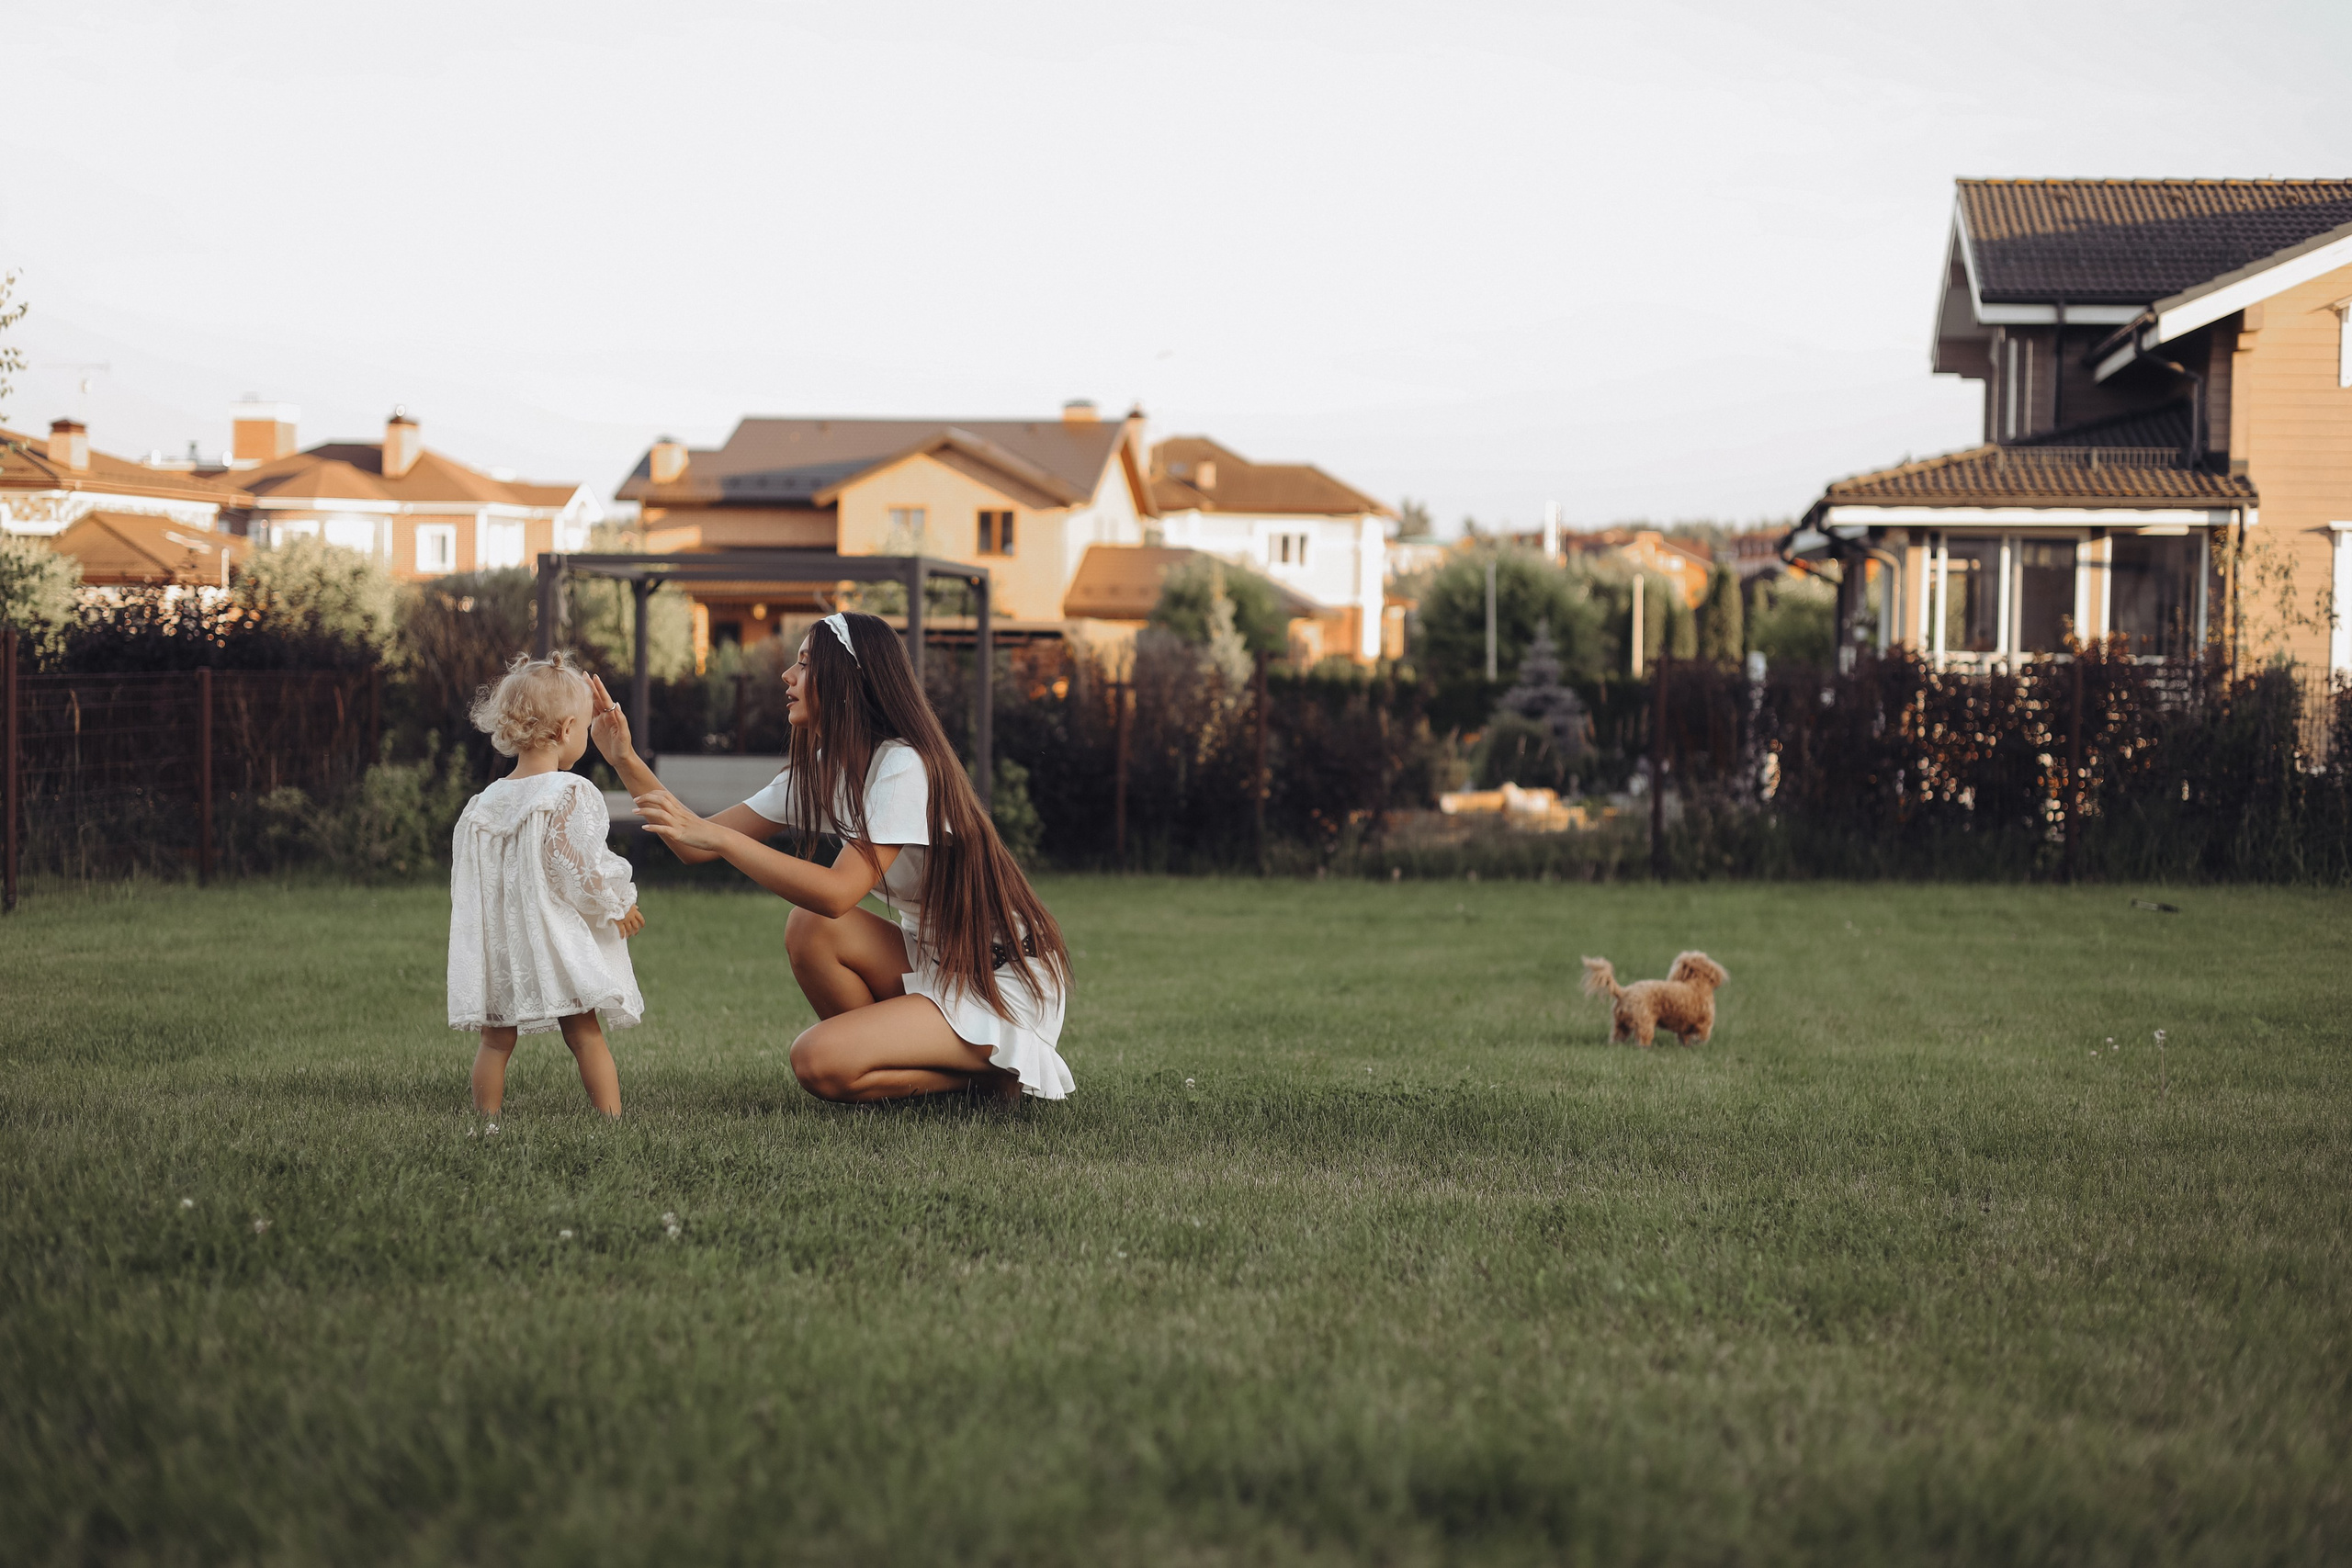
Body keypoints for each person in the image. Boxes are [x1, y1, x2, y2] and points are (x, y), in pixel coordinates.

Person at [587, 610, 1073, 1104]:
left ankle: (993, 1072)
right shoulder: (830, 769)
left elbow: (838, 893)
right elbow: (690, 843)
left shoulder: (905, 766)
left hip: (1000, 978)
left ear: (846, 682)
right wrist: (624, 759)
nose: (787, 676)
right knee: (809, 928)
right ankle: (938, 1073)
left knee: (816, 1061)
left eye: (804, 664)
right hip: (935, 960)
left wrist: (724, 840)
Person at [449, 652, 646, 1118]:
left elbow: (468, 878)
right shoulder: (568, 792)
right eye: (581, 732)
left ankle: (487, 1125)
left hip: (500, 941)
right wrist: (615, 902)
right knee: (583, 1033)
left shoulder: (483, 803)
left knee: (495, 1041)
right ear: (565, 731)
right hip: (553, 938)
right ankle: (612, 1120)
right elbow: (574, 863)